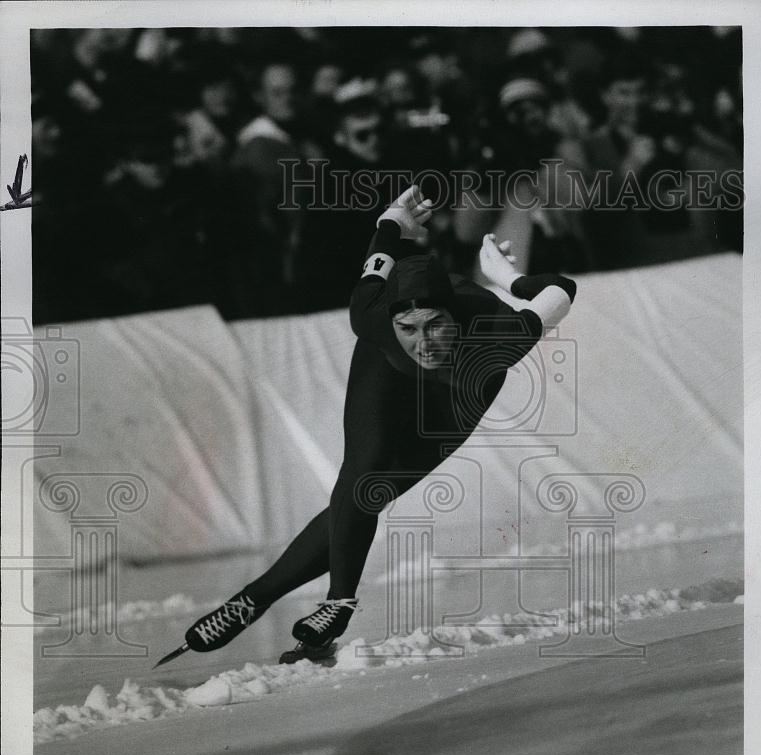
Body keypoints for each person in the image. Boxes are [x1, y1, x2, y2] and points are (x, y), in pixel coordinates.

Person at [156, 186, 576, 666]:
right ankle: (334, 602)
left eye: (435, 325)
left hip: (461, 385)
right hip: (386, 367)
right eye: (409, 328)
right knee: (363, 471)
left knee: (374, 492)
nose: (424, 342)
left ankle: (258, 596)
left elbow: (562, 290)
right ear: (392, 321)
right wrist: (392, 221)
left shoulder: (498, 335)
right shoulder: (370, 315)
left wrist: (510, 280)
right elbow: (381, 253)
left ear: (456, 319)